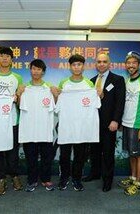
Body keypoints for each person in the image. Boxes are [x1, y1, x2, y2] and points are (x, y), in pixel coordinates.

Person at [82, 53, 126, 192]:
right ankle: (95, 173)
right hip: (94, 124)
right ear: (96, 64)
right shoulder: (91, 80)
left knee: (107, 153)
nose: (101, 64)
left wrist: (116, 121)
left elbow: (120, 103)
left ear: (109, 64)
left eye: (104, 61)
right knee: (94, 151)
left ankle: (107, 180)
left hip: (109, 124)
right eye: (99, 61)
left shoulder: (117, 80)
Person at [0, 46, 23, 195]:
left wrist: (19, 96)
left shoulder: (17, 78)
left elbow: (20, 100)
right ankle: (0, 179)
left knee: (13, 151)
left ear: (12, 59)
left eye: (7, 56)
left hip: (12, 119)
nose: (5, 58)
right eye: (2, 56)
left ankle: (14, 176)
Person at [57, 54, 96, 192]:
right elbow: (58, 102)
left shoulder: (89, 84)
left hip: (82, 126)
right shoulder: (63, 83)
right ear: (70, 66)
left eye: (79, 64)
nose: (76, 67)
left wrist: (99, 94)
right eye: (74, 64)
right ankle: (64, 178)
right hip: (67, 126)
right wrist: (56, 94)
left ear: (83, 66)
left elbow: (94, 102)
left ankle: (77, 179)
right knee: (64, 155)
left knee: (80, 155)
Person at [18, 59, 58, 192]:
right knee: (31, 157)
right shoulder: (24, 88)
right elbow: (19, 106)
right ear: (30, 70)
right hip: (29, 130)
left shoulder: (49, 89)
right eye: (33, 68)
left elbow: (56, 106)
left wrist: (55, 95)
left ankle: (46, 179)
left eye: (39, 69)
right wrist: (19, 94)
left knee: (47, 157)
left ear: (43, 72)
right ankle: (32, 180)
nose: (36, 71)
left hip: (45, 130)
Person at [117, 51, 140, 196]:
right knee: (132, 153)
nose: (131, 65)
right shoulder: (126, 80)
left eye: (134, 63)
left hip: (137, 124)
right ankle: (132, 178)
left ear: (139, 65)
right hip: (126, 123)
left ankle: (138, 183)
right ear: (126, 65)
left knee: (139, 154)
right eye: (129, 63)